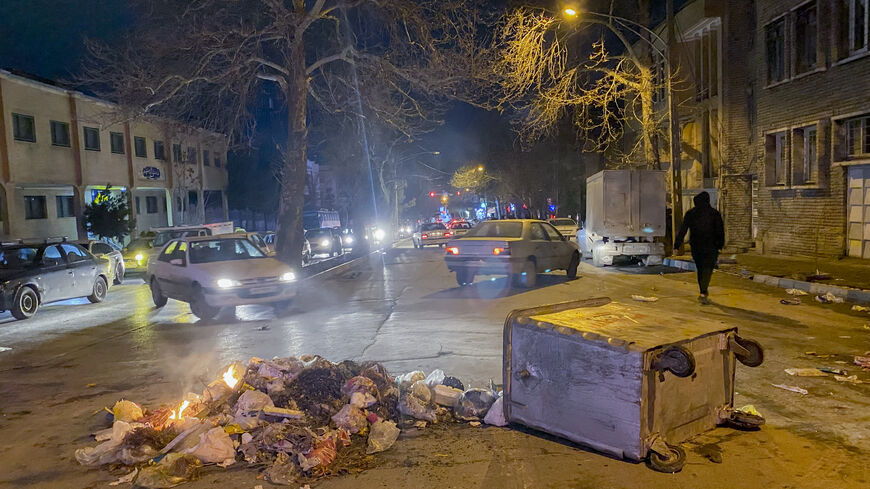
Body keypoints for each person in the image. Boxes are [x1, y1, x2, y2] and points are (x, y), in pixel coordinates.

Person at [674, 191, 724, 305]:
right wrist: (720, 244)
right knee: (708, 268)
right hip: (712, 246)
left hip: (697, 246)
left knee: (700, 268)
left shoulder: (691, 213)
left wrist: (677, 244)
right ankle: (703, 289)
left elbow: (683, 230)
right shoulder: (714, 214)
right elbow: (720, 230)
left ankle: (703, 290)